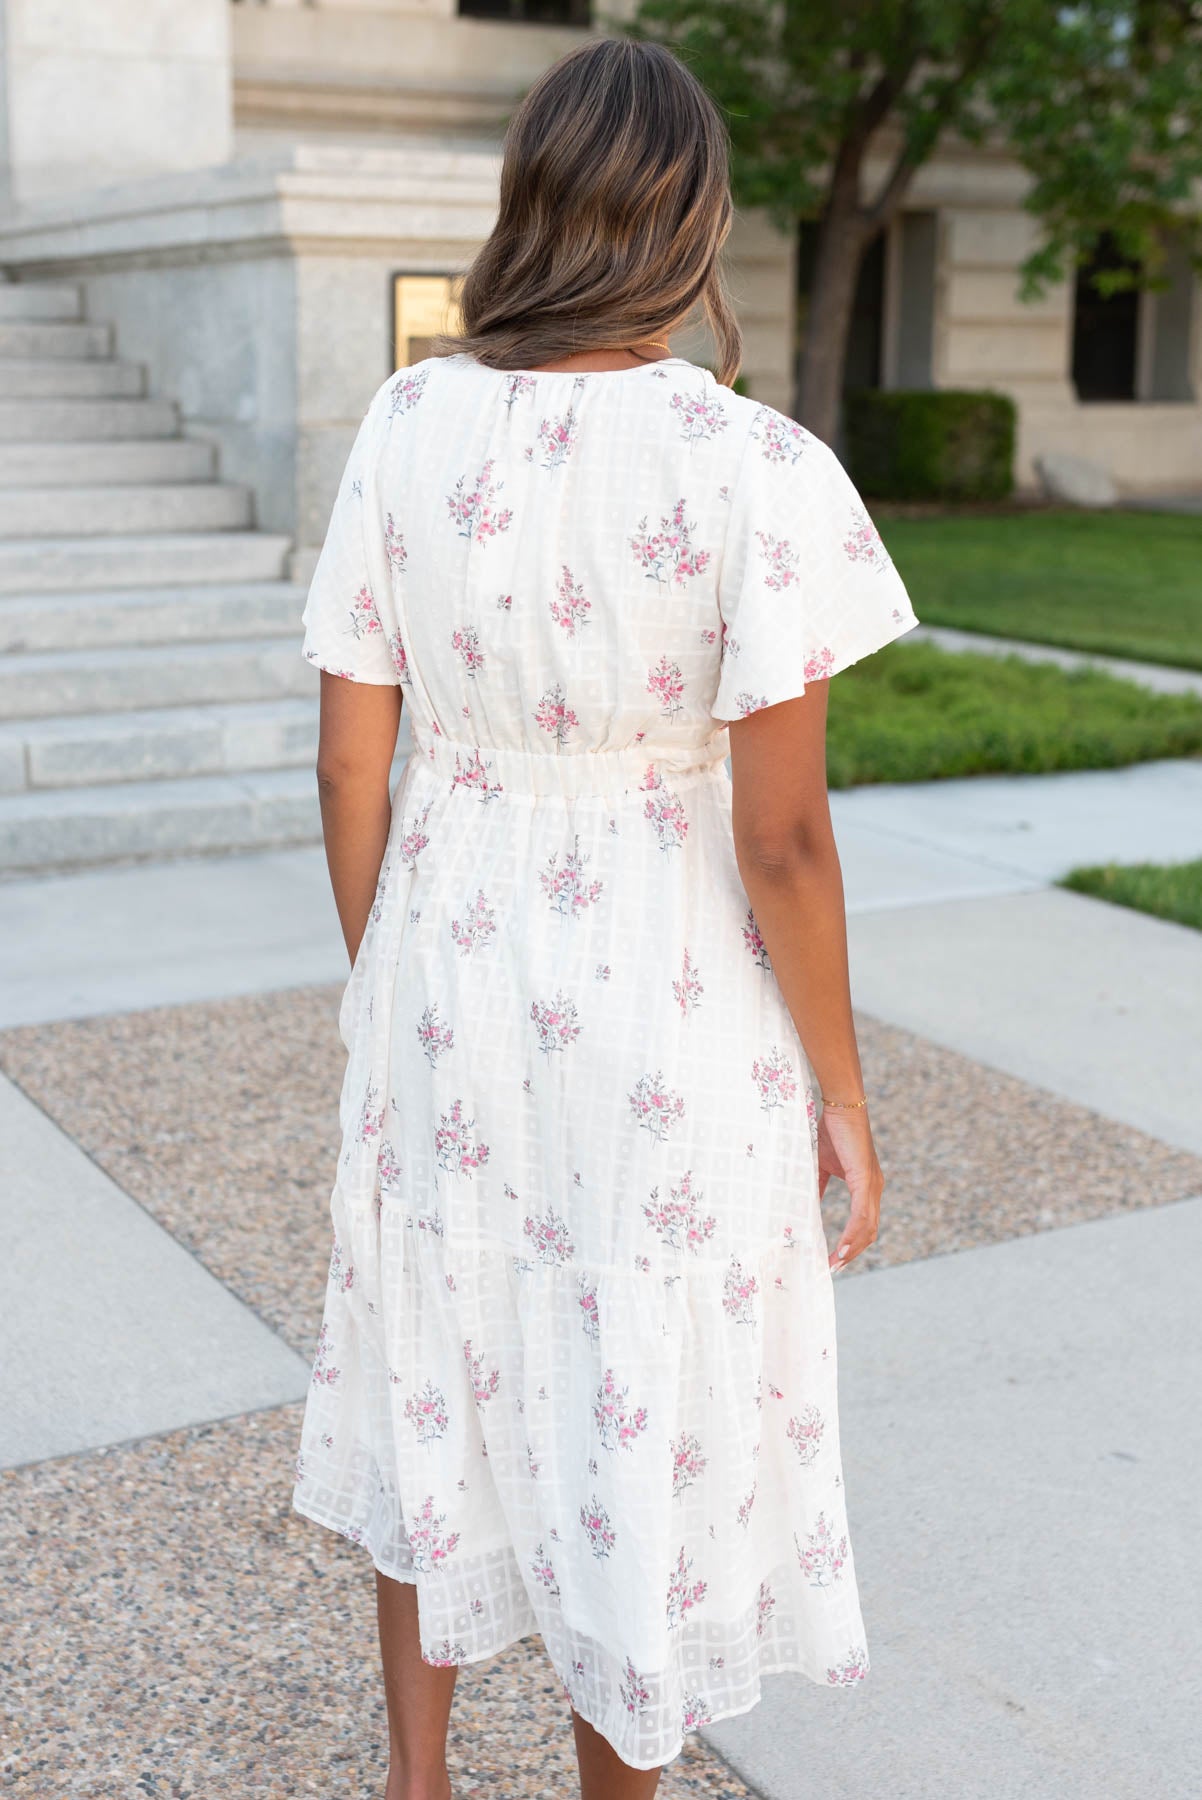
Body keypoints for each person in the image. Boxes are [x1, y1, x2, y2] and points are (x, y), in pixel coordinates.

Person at [290, 34, 918, 1800]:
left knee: (438, 1349)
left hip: (446, 962)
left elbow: (351, 766)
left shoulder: (407, 419)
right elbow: (781, 835)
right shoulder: (752, 470)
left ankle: (414, 1781)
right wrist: (844, 1093)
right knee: (618, 1388)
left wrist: (386, 967)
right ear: (694, 224)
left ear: (530, 208)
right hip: (661, 996)